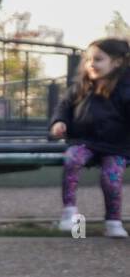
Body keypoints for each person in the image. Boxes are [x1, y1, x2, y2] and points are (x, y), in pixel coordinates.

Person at [51, 38, 129, 238]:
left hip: (115, 146)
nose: (91, 64)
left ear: (117, 62)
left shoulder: (125, 88)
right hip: (84, 142)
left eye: (98, 60)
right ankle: (69, 213)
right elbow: (64, 107)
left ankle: (113, 221)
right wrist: (59, 122)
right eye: (88, 60)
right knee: (72, 160)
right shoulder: (82, 86)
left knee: (111, 179)